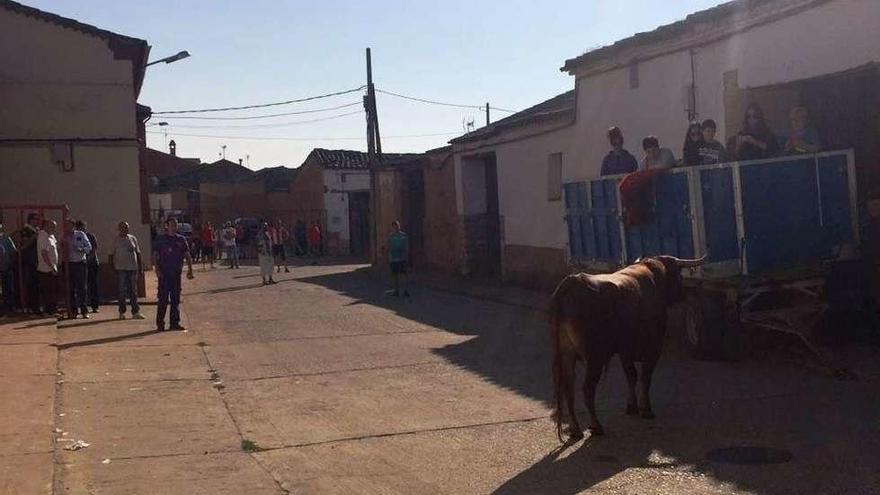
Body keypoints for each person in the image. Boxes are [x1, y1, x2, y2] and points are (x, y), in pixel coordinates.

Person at [152, 218, 194, 331]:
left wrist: (190, 269)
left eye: (175, 225)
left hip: (176, 274)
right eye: (171, 225)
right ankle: (160, 324)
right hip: (164, 274)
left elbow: (187, 255)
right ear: (167, 226)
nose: (174, 227)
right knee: (163, 299)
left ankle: (174, 323)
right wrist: (157, 270)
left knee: (175, 299)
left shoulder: (181, 239)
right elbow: (155, 255)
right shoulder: (161, 239)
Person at [110, 221, 144, 320]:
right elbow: (111, 255)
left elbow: (138, 253)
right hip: (121, 269)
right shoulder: (115, 240)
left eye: (126, 227)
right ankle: (122, 312)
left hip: (132, 268)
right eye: (123, 227)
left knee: (133, 291)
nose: (125, 229)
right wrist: (112, 267)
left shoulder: (133, 238)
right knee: (122, 291)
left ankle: (135, 312)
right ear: (119, 229)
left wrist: (140, 267)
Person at [67, 220, 93, 319]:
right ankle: (74, 311)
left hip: (80, 264)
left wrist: (82, 249)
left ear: (73, 226)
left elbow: (89, 247)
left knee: (82, 288)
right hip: (69, 264)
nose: (68, 227)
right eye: (66, 226)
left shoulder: (80, 234)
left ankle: (84, 311)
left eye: (70, 225)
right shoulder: (64, 236)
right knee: (71, 289)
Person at [17, 213, 40, 314]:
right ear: (30, 220)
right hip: (29, 261)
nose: (37, 221)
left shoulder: (36, 230)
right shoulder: (26, 230)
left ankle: (35, 306)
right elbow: (24, 245)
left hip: (36, 261)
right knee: (30, 284)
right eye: (36, 219)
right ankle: (31, 307)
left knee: (36, 284)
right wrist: (35, 236)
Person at [36, 219, 59, 317]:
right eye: (52, 226)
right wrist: (52, 266)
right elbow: (44, 254)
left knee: (52, 290)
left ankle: (52, 310)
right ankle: (48, 311)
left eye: (54, 226)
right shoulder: (43, 236)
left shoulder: (51, 236)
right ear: (45, 226)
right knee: (47, 291)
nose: (54, 228)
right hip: (46, 269)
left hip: (52, 268)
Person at [80, 221, 100, 313]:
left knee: (93, 285)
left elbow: (94, 250)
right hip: (81, 264)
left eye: (83, 228)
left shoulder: (90, 236)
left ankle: (95, 305)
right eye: (80, 228)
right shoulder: (77, 237)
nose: (82, 230)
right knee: (82, 286)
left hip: (92, 264)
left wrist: (87, 260)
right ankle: (83, 305)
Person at [388, 221, 410, 297]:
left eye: (397, 226)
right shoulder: (391, 236)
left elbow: (406, 247)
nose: (396, 228)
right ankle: (396, 290)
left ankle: (405, 290)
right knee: (395, 275)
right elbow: (389, 247)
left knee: (403, 275)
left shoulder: (403, 235)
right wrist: (389, 257)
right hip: (394, 259)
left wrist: (406, 257)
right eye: (395, 226)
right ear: (392, 227)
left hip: (402, 258)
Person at [0, 224, 17, 316]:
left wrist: (10, 263)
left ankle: (9, 308)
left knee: (8, 289)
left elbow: (13, 251)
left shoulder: (5, 238)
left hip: (6, 267)